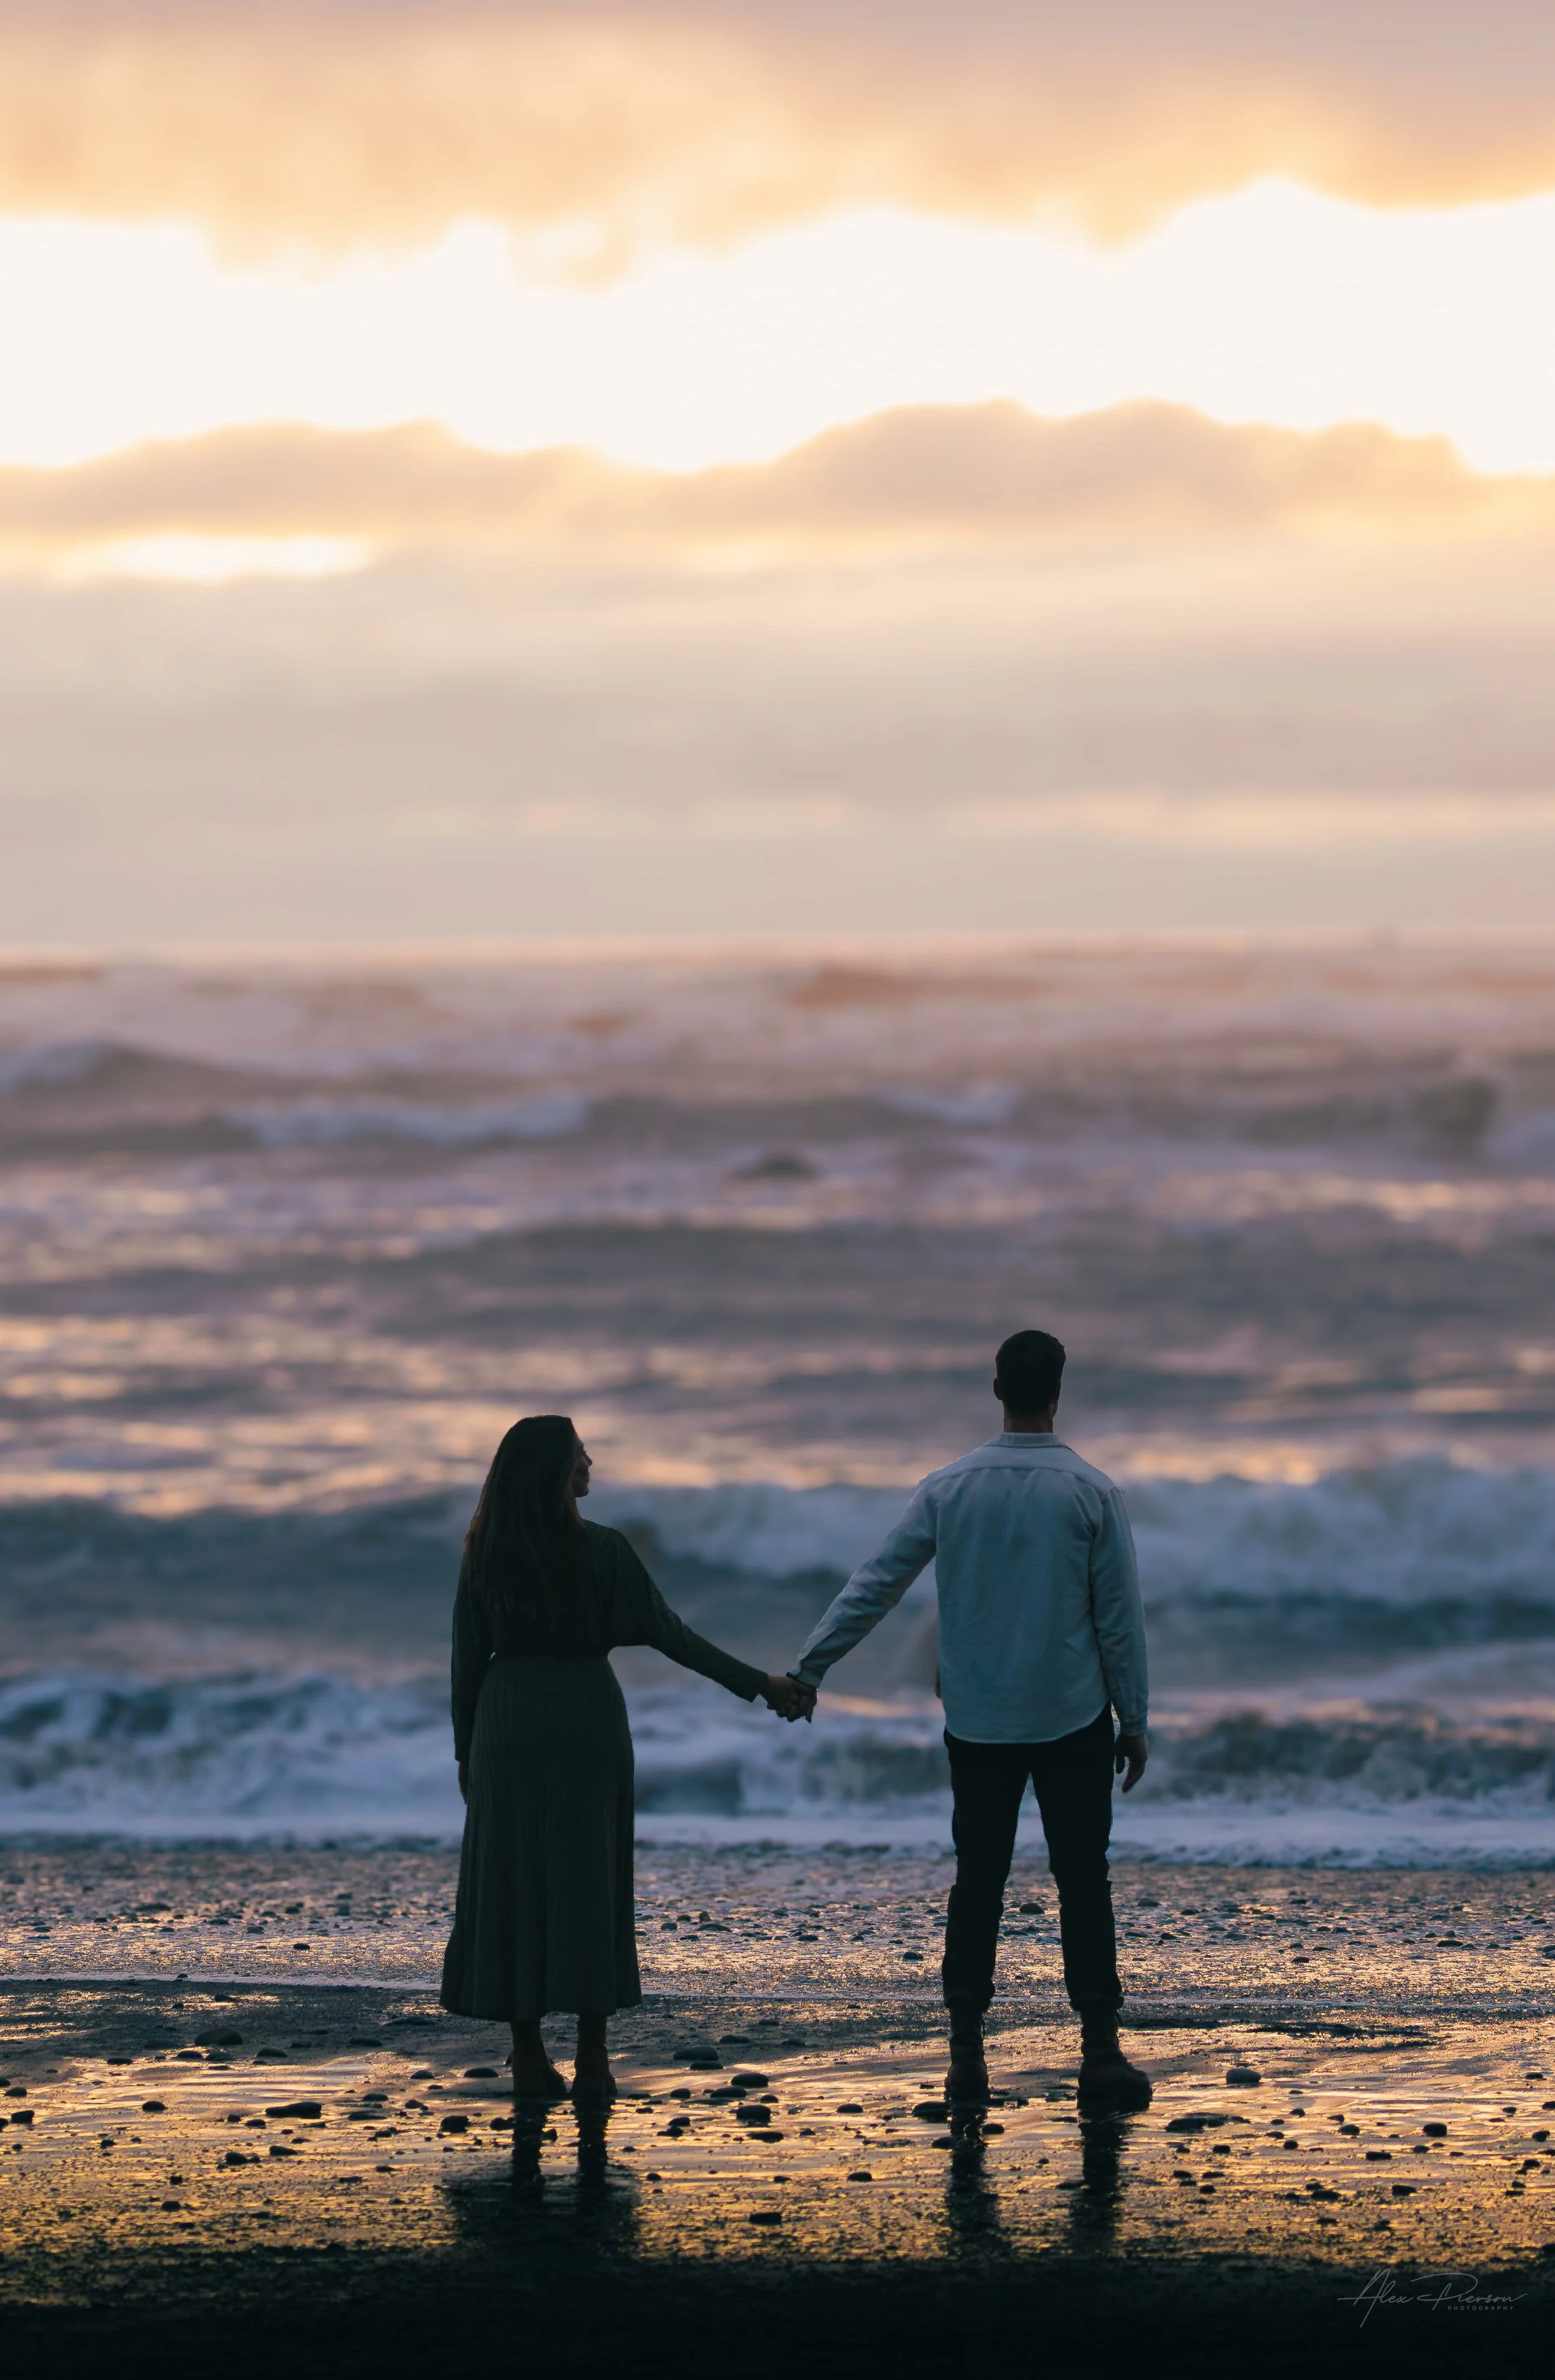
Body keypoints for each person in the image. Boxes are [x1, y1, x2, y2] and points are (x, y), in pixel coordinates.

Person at [786, 1331, 1151, 2108]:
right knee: (1083, 1879)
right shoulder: (1092, 1491)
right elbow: (1119, 1619)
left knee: (976, 1881)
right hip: (1072, 1715)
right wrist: (1135, 1718)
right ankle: (1100, 2051)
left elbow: (876, 1585)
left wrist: (810, 1666)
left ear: (996, 1390)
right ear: (1059, 1390)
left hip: (980, 1720)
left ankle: (966, 2058)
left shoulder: (947, 1487)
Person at [440, 1413, 805, 2099]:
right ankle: (595, 2058)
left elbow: (466, 1660)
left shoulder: (485, 1552)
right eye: (579, 1453)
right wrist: (761, 1685)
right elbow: (673, 1635)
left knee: (513, 1876)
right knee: (589, 1877)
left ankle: (527, 2053)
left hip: (507, 1719)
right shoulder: (603, 1550)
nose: (590, 1461)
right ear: (553, 1471)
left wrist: (466, 1751)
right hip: (586, 1716)